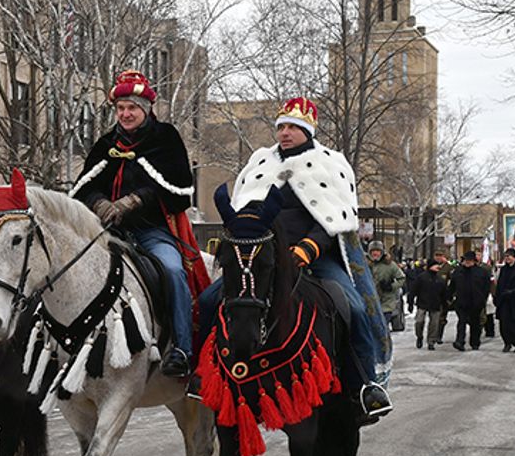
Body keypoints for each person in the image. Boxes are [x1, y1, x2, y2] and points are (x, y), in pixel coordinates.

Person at [197, 97, 393, 418]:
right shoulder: (259, 162)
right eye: (281, 127)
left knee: (353, 307)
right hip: (265, 259)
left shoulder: (331, 162)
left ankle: (366, 384)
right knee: (208, 301)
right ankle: (203, 372)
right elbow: (247, 214)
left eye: (293, 127)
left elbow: (334, 219)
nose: (285, 133)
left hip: (315, 255)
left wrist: (306, 249)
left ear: (308, 130)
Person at [70, 71, 209, 378]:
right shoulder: (106, 143)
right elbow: (83, 187)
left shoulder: (166, 138)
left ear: (145, 109)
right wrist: (100, 203)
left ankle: (182, 349)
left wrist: (135, 200)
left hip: (152, 231)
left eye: (131, 108)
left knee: (172, 271)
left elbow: (180, 190)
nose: (125, 114)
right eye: (120, 109)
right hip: (107, 231)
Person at [449, 250, 491, 351]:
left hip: (476, 302)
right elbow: (452, 286)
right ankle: (460, 341)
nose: (467, 262)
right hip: (461, 302)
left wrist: (482, 299)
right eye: (466, 260)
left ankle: (475, 342)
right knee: (461, 322)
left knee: (475, 323)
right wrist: (449, 297)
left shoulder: (481, 272)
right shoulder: (458, 271)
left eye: (470, 260)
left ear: (474, 261)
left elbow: (486, 287)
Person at [409, 259, 447, 350]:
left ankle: (431, 341)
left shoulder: (440, 279)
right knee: (419, 322)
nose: (437, 267)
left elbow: (444, 293)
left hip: (436, 304)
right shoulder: (421, 278)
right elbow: (413, 290)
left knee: (434, 324)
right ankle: (419, 336)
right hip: (422, 303)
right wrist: (410, 302)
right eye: (435, 265)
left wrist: (445, 304)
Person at [369, 241, 405, 329]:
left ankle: (385, 342)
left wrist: (391, 286)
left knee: (382, 328)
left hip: (386, 303)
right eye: (373, 251)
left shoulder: (390, 265)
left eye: (377, 251)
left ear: (382, 252)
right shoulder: (365, 265)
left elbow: (402, 278)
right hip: (370, 302)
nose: (375, 253)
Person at [433, 248, 454, 343]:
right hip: (433, 295)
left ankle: (438, 336)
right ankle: (432, 335)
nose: (438, 258)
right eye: (436, 256)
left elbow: (453, 280)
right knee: (433, 317)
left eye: (440, 256)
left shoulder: (448, 267)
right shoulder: (431, 266)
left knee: (441, 317)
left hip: (443, 296)